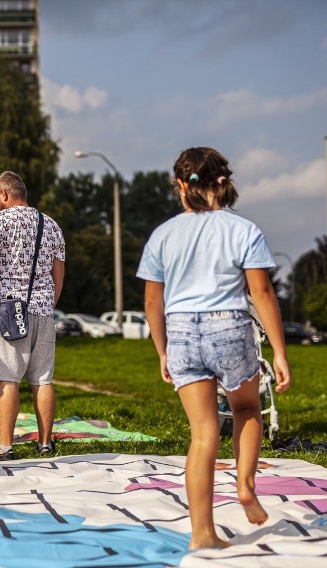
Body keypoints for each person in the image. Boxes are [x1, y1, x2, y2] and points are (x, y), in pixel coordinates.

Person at [137, 147, 291, 550]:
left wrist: (162, 351)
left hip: (183, 330)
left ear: (180, 186)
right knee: (246, 408)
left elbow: (153, 302)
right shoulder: (243, 230)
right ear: (224, 183)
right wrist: (280, 351)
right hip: (229, 326)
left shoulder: (164, 234)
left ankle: (203, 534)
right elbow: (261, 293)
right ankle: (244, 484)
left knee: (203, 434)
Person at [0, 171, 65, 461]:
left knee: (8, 379)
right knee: (43, 379)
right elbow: (58, 271)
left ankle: (5, 448)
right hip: (43, 310)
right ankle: (46, 444)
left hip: (7, 311)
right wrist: (48, 301)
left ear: (3, 194)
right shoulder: (51, 225)